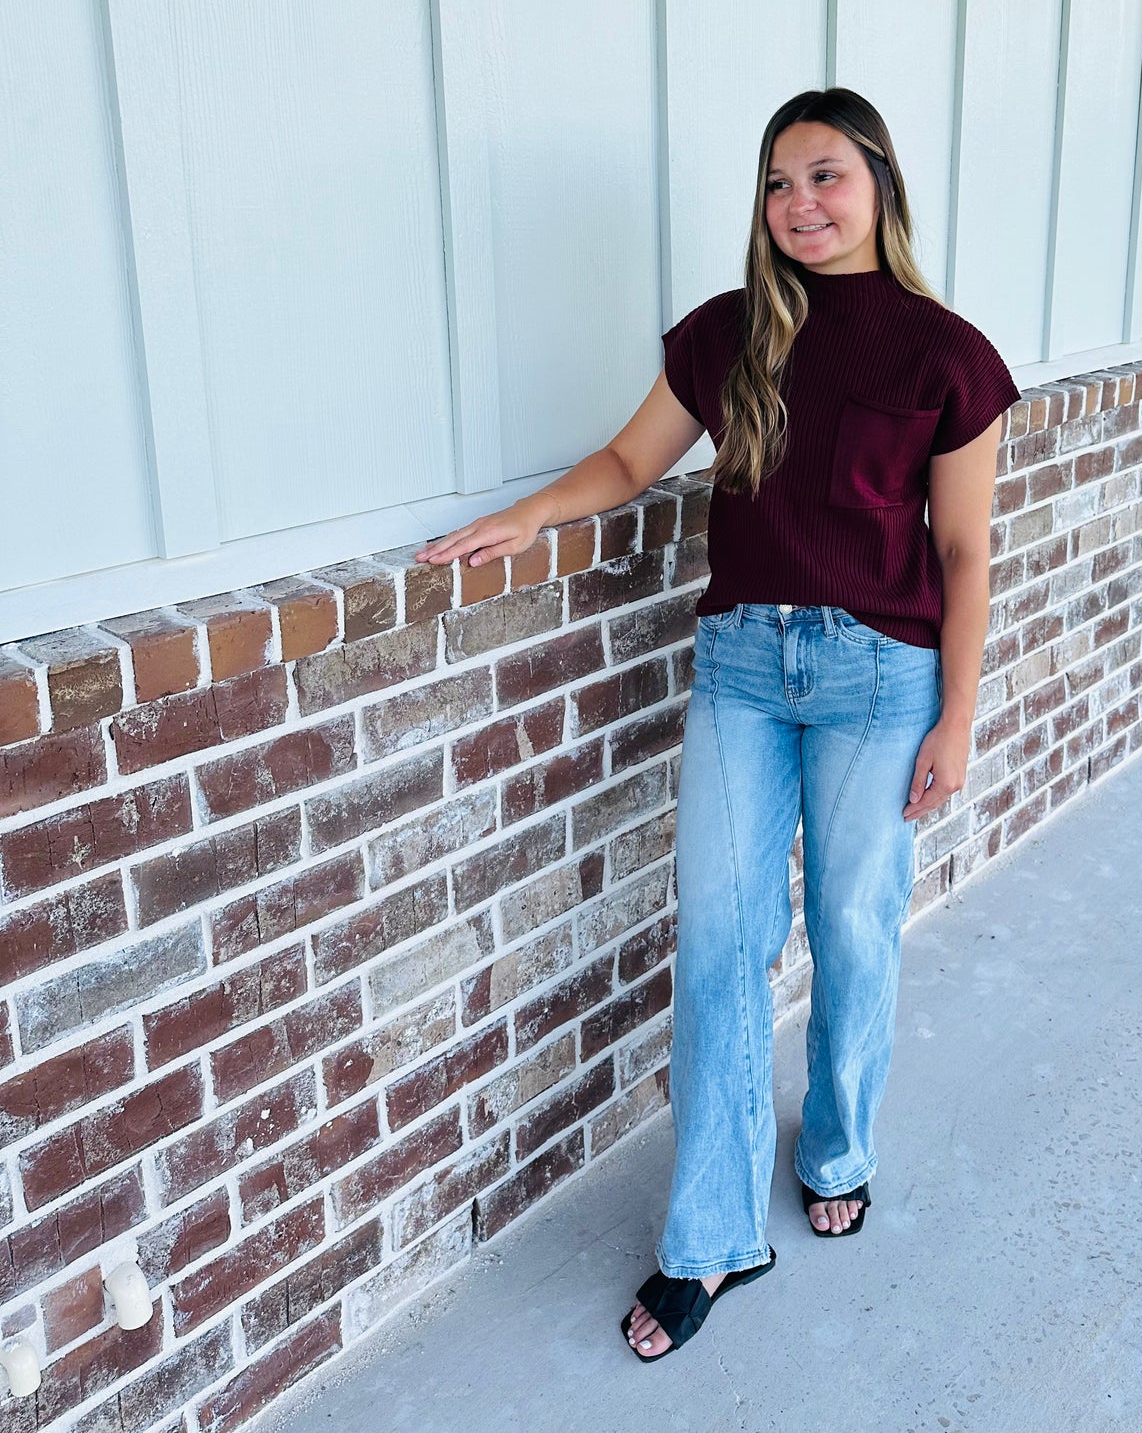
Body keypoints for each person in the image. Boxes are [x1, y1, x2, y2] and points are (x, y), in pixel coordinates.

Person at [416, 87, 1021, 1363]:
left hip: (880, 674)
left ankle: (841, 1141)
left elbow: (961, 549)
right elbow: (631, 462)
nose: (799, 204)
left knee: (855, 927)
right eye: (776, 184)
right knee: (719, 944)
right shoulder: (725, 334)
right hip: (742, 667)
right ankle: (708, 1240)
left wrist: (956, 714)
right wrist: (528, 516)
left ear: (878, 186)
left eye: (824, 177)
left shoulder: (945, 355)